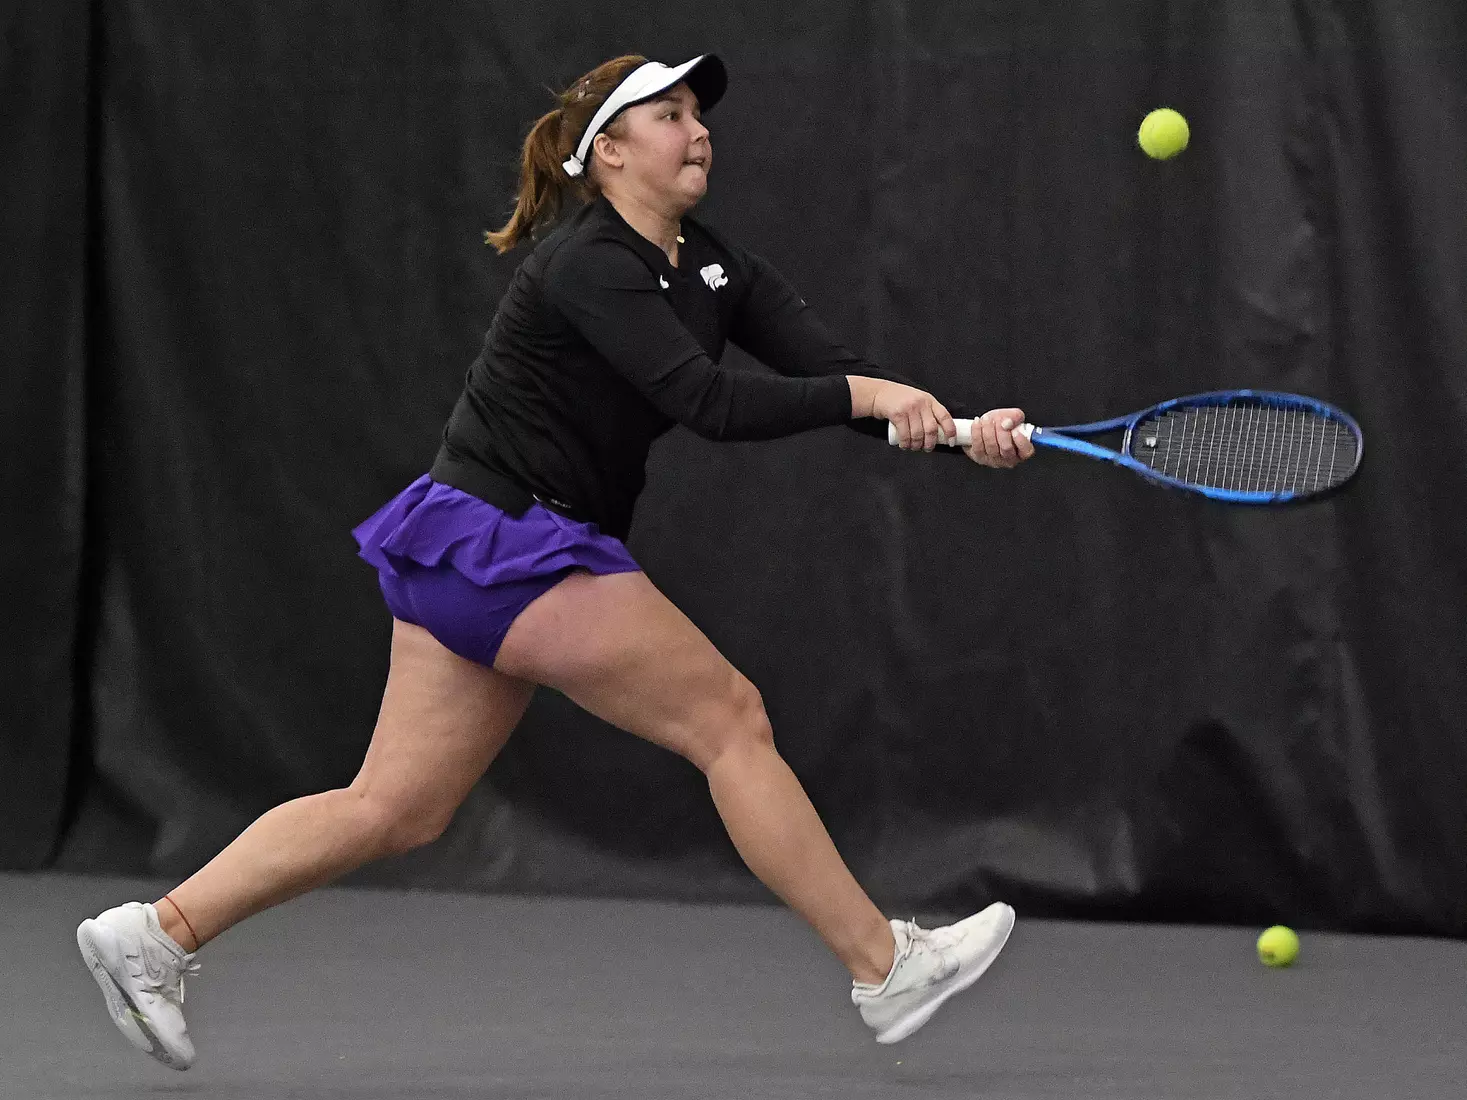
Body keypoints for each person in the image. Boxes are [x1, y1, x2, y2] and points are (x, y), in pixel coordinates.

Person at [76, 53, 1036, 1070]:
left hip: (482, 542)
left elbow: (835, 374)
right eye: (668, 114)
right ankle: (883, 962)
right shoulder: (588, 262)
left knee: (395, 806)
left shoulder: (711, 265)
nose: (696, 129)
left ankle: (155, 933)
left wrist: (958, 424)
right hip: (505, 535)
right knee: (729, 716)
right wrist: (873, 400)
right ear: (608, 150)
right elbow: (706, 400)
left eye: (698, 113)